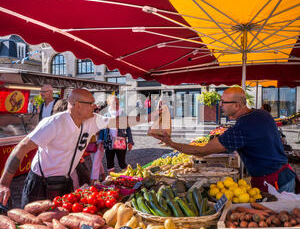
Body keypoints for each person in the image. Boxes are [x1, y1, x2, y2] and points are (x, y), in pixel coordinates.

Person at [0, 89, 152, 207]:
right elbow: (21, 148)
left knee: (64, 221)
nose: (95, 106)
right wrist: (4, 184)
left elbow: (120, 122)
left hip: (65, 180)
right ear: (77, 105)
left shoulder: (92, 120)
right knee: (35, 224)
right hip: (41, 182)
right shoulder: (53, 123)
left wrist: (150, 117)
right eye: (91, 103)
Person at [151, 87, 297, 194]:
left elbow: (201, 151)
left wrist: (171, 143)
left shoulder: (242, 128)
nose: (220, 105)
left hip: (274, 183)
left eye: (223, 102)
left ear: (237, 105)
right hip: (285, 175)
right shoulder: (261, 114)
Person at [98, 95, 134, 174]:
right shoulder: (106, 115)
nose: (116, 105)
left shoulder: (123, 115)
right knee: (109, 162)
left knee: (122, 162)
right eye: (114, 103)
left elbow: (128, 129)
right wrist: (100, 139)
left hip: (120, 142)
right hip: (108, 142)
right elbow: (102, 128)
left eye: (117, 103)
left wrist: (130, 141)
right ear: (109, 104)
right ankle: (111, 179)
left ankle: (128, 176)